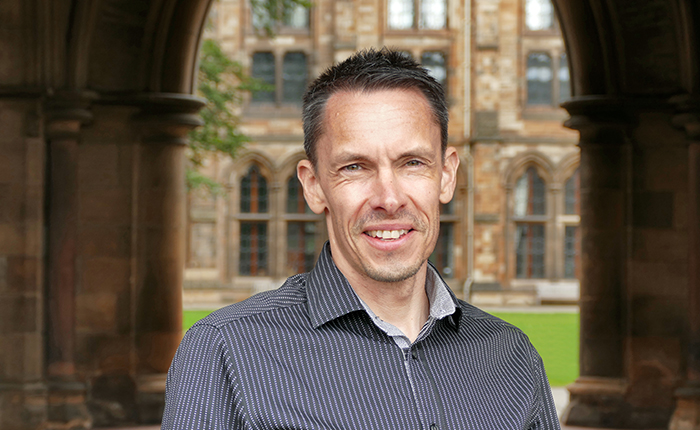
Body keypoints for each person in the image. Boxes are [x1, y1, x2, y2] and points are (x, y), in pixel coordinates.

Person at [162, 48, 560, 430]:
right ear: (314, 186)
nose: (389, 198)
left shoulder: (512, 356)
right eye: (355, 167)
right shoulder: (225, 351)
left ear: (446, 175)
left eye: (413, 163)